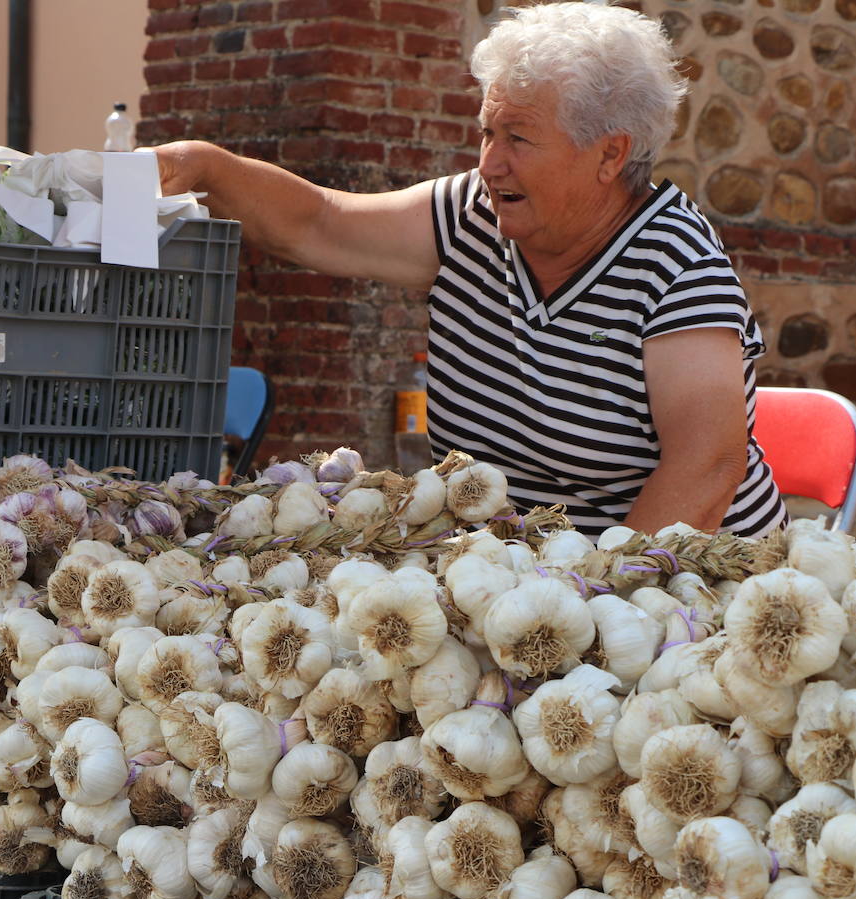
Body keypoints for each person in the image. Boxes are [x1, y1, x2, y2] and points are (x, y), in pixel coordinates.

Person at [151, 1, 786, 538]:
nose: (489, 163)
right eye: (486, 132)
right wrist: (205, 167)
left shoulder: (676, 262)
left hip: (676, 596)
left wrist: (596, 601)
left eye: (518, 138)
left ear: (610, 154)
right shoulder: (469, 217)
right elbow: (319, 222)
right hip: (520, 592)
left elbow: (707, 465)